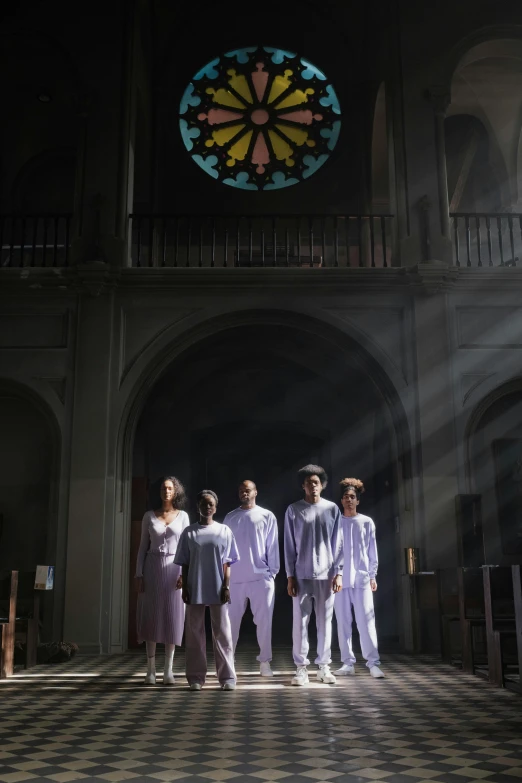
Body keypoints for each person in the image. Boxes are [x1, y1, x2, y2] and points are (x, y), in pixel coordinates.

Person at [284, 464, 343, 686]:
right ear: (303, 486)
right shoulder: (293, 510)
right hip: (301, 574)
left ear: (323, 485)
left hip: (327, 574)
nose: (313, 486)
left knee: (325, 622)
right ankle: (301, 668)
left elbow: (339, 544)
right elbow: (289, 545)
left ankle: (324, 666)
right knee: (299, 623)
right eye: (309, 483)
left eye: (316, 482)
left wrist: (339, 572)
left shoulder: (332, 509)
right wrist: (290, 575)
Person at [174, 490, 239, 691]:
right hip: (194, 586)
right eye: (204, 504)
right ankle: (195, 677)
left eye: (211, 504)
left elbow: (227, 562)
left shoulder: (224, 531)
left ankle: (227, 677)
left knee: (223, 633)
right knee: (194, 633)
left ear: (216, 507)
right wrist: (185, 586)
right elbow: (184, 562)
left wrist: (226, 586)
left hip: (218, 586)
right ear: (198, 507)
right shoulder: (189, 532)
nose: (207, 507)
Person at [135, 476, 190, 685]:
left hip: (175, 569)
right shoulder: (149, 516)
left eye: (169, 488)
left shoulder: (183, 516)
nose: (166, 491)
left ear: (175, 491)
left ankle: (168, 670)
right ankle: (150, 670)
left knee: (172, 618)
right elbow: (142, 547)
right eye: (163, 488)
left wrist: (185, 574)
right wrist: (138, 574)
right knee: (151, 616)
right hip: (152, 567)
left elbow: (186, 548)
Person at [224, 480, 280, 676]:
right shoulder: (230, 517)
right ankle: (228, 661)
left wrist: (271, 572)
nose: (243, 493)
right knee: (230, 624)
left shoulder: (266, 516)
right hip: (235, 580)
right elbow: (225, 550)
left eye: (247, 490)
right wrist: (225, 579)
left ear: (255, 492)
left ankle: (265, 662)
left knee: (264, 623)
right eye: (240, 490)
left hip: (261, 579)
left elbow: (273, 546)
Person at [334, 478, 384, 678]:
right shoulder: (335, 522)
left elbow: (373, 550)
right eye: (346, 497)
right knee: (343, 622)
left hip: (362, 578)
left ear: (358, 500)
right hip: (339, 579)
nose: (349, 500)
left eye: (352, 497)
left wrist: (373, 575)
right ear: (341, 500)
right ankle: (347, 662)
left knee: (366, 621)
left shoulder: (366, 522)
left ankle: (373, 663)